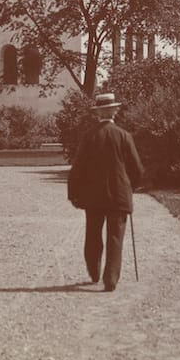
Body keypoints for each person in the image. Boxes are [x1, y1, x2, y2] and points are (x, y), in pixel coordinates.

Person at [67, 93, 145, 292]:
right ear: (115, 111)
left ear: (98, 114)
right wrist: (132, 186)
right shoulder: (124, 135)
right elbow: (137, 168)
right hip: (118, 195)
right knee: (115, 237)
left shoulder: (89, 136)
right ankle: (110, 279)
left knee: (93, 234)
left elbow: (78, 168)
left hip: (93, 196)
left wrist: (73, 193)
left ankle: (94, 272)